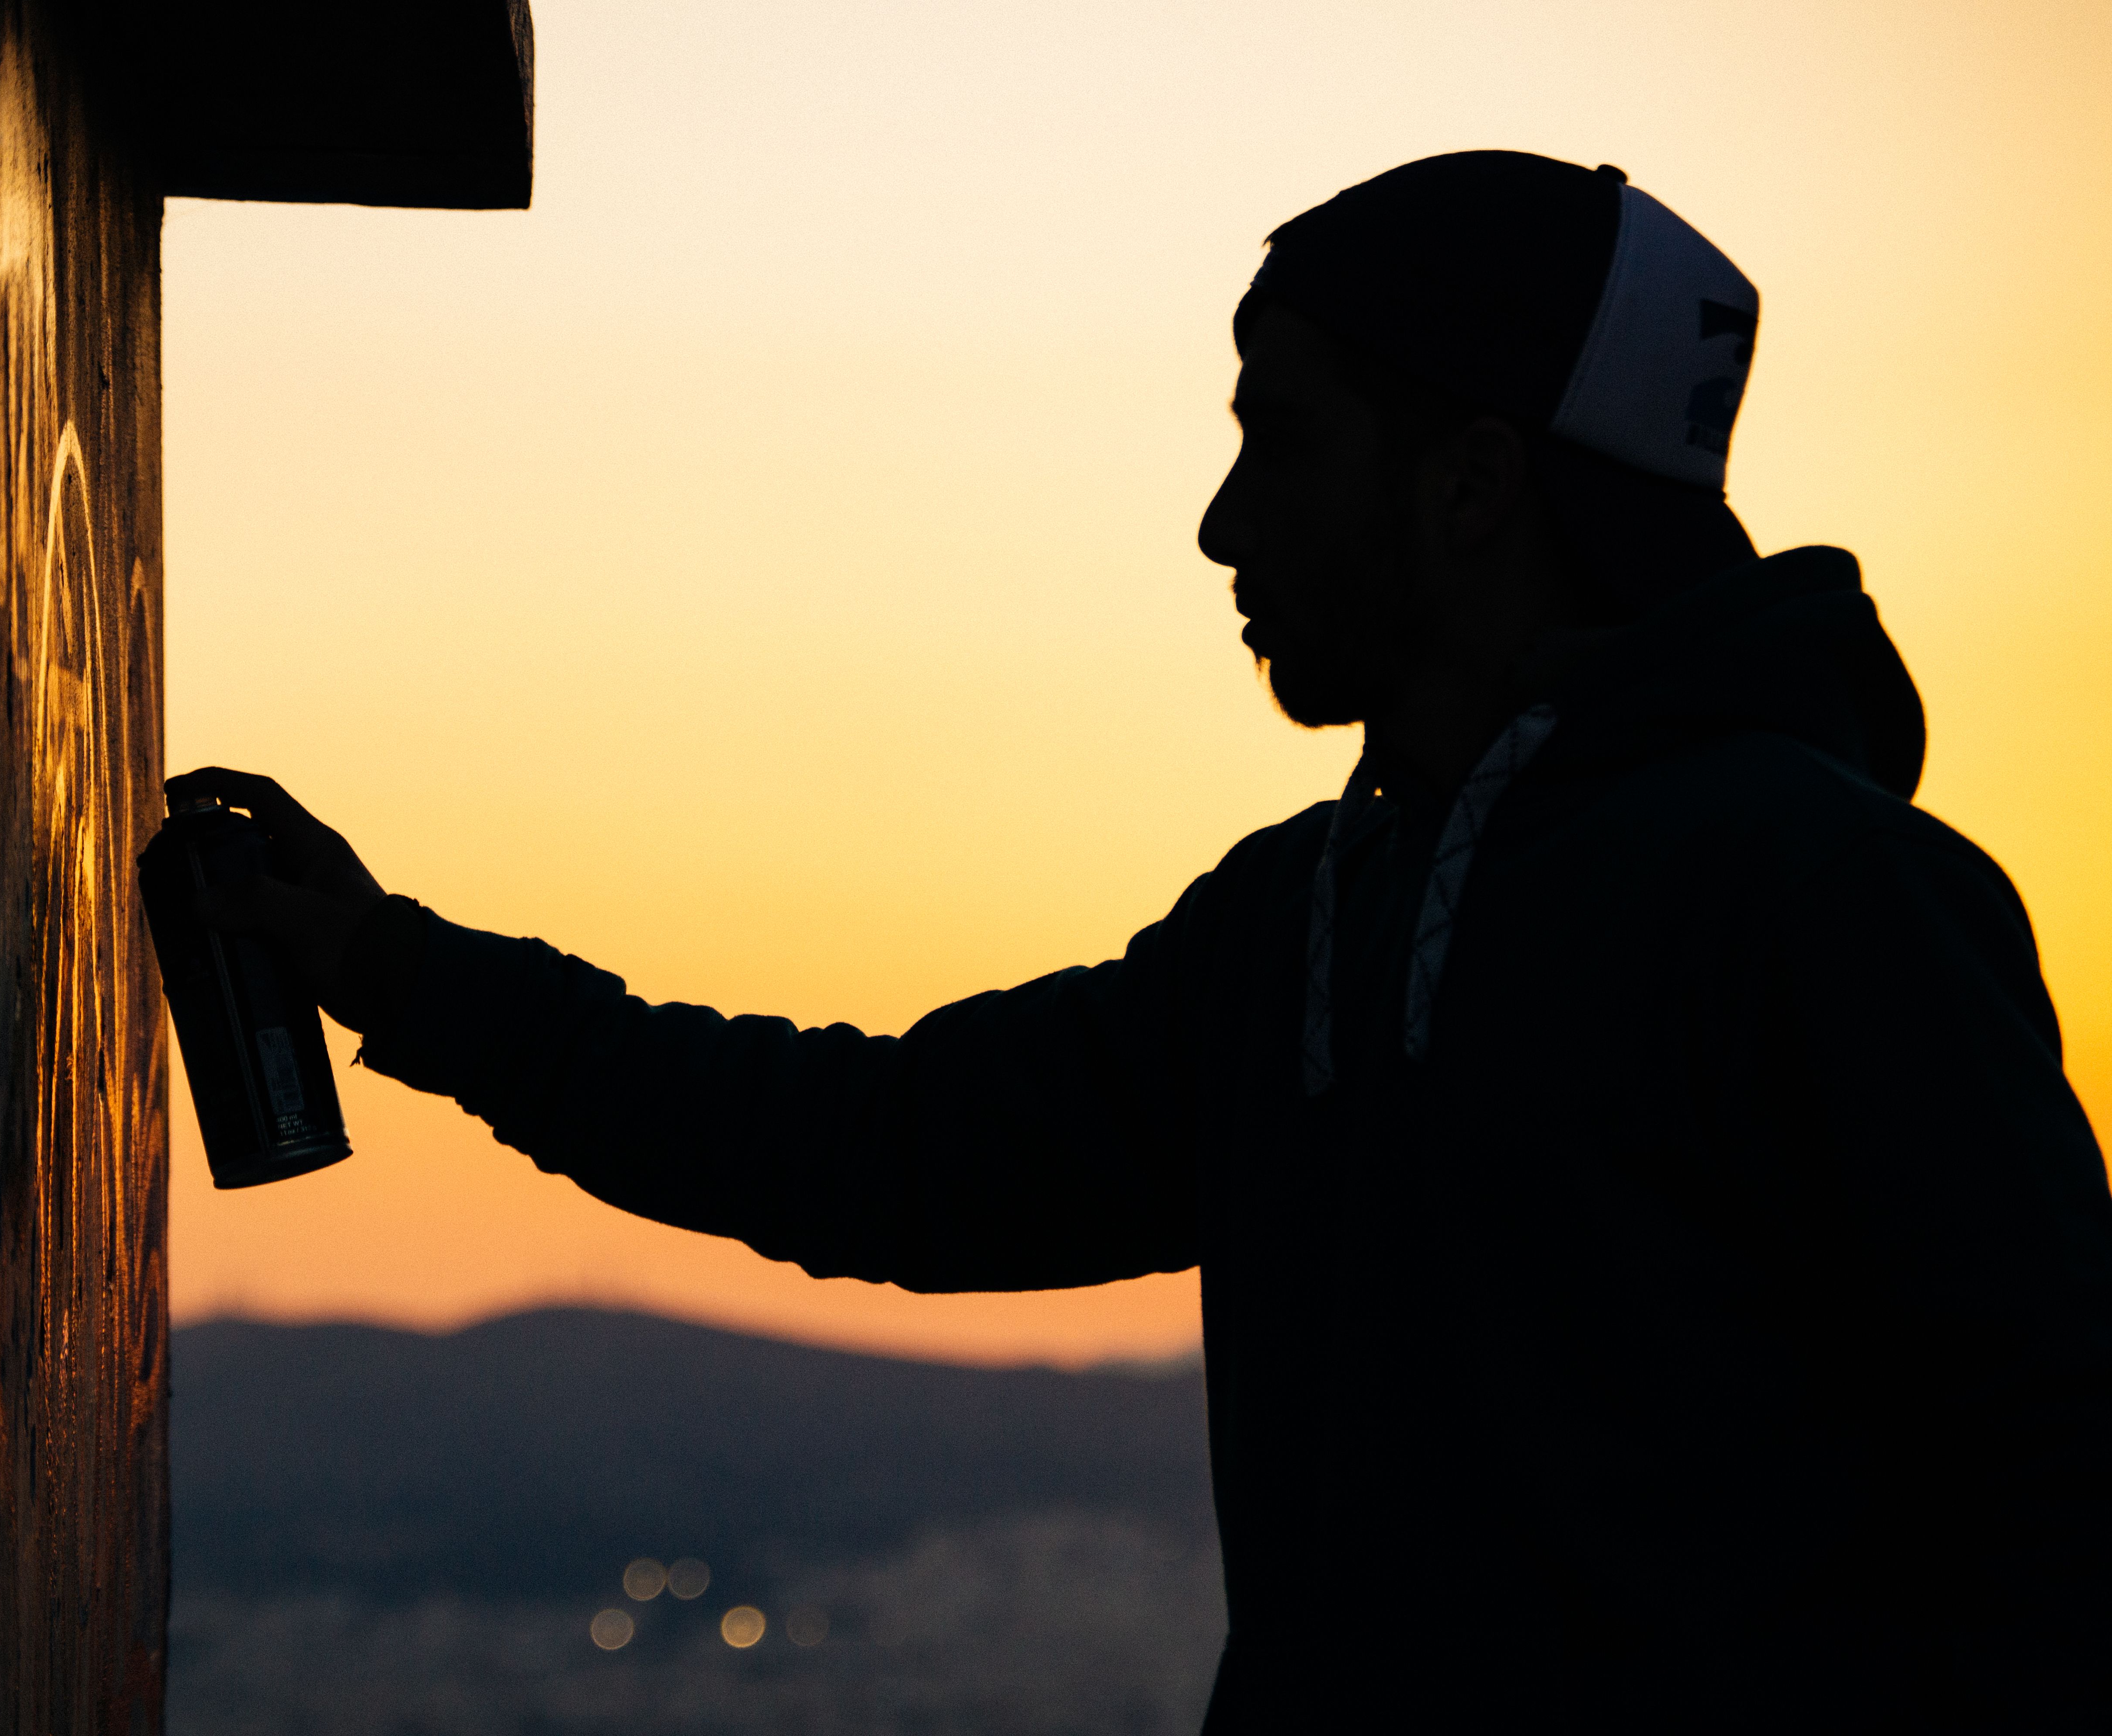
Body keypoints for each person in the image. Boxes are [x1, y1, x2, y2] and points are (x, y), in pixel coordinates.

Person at [171, 152, 2112, 1731]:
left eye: (1284, 441)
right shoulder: (1293, 925)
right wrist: (405, 974)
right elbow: (886, 1154)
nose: (1220, 522)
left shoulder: (1829, 897)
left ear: (1466, 485)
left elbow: (2055, 1515)